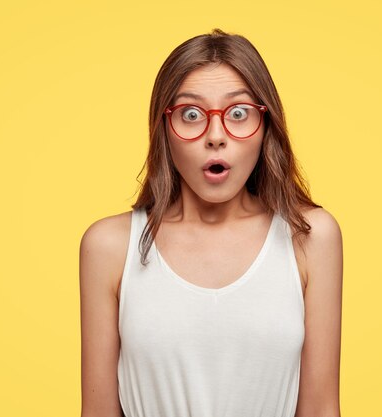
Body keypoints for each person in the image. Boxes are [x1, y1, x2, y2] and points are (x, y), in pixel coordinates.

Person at [79, 28, 343, 417]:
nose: (216, 136)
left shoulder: (310, 237)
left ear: (266, 125)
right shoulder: (109, 246)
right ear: (164, 129)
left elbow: (321, 409)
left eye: (238, 114)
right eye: (191, 115)